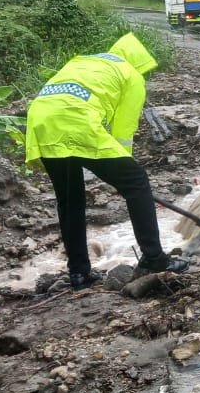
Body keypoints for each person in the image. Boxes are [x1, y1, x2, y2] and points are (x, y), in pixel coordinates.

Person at [24, 32, 189, 289]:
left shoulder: (85, 61)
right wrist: (125, 177)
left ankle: (79, 273)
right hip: (75, 120)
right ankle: (155, 258)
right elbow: (123, 134)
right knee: (136, 181)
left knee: (70, 200)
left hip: (41, 119)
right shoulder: (131, 76)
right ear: (139, 63)